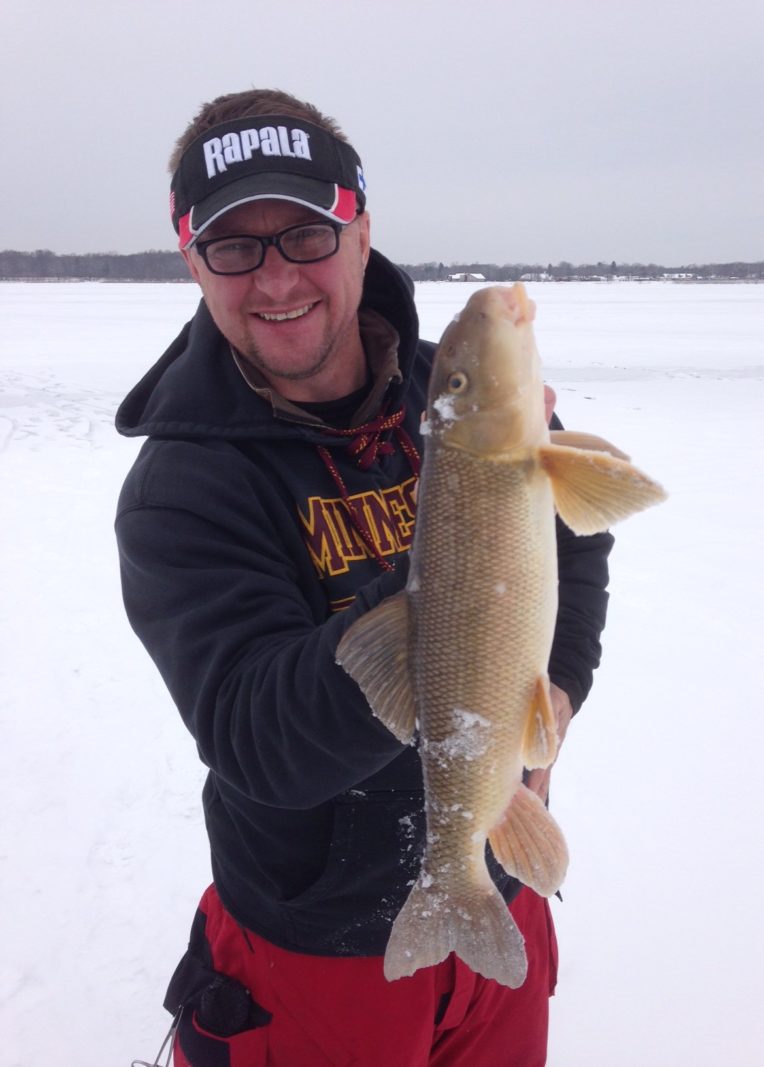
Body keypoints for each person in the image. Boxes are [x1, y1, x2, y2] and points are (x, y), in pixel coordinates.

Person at [116, 88, 614, 1067]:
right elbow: (258, 738)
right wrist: (449, 593)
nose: (273, 278)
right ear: (192, 260)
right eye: (233, 247)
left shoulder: (455, 396)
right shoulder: (182, 488)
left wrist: (555, 687)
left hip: (496, 889)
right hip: (310, 951)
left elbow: (575, 546)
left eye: (303, 234)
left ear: (359, 231)